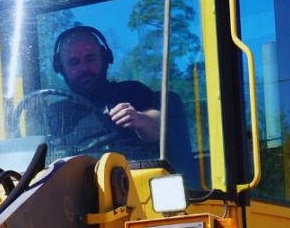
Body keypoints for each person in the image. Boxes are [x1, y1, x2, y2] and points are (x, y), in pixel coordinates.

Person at [48, 25, 195, 176]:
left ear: (105, 58)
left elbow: (160, 127)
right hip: (75, 193)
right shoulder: (54, 114)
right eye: (74, 62)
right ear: (61, 67)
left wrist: (141, 119)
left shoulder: (131, 91)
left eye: (90, 58)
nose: (84, 67)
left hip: (137, 187)